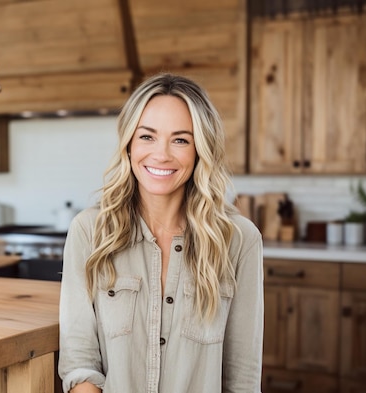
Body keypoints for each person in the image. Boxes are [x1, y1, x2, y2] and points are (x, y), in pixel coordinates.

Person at [58, 73, 263, 393]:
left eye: (180, 139)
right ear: (128, 143)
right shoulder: (90, 231)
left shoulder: (239, 239)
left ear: (200, 150)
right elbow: (79, 358)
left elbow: (243, 376)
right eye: (147, 136)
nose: (162, 154)